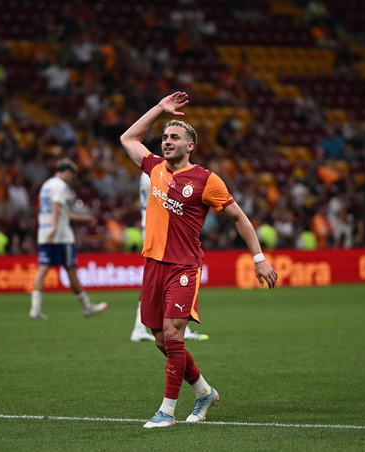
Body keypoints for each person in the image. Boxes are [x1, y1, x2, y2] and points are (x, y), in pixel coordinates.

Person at [119, 92, 278, 428]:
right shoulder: (154, 168)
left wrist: (259, 258)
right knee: (160, 339)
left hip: (183, 267)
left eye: (175, 137)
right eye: (164, 137)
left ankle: (167, 412)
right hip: (153, 265)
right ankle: (205, 392)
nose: (167, 141)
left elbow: (239, 217)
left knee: (173, 334)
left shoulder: (207, 180)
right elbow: (128, 139)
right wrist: (159, 109)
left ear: (190, 146)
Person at [130, 137, 208, 342]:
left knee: (156, 282)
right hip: (162, 232)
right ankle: (175, 325)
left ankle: (141, 327)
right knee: (180, 274)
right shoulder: (157, 172)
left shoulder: (148, 174)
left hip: (152, 230)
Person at [29, 158, 107, 320]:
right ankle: (87, 307)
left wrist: (82, 219)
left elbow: (59, 211)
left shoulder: (46, 185)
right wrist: (54, 228)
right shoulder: (62, 186)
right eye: (72, 175)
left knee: (42, 270)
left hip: (44, 233)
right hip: (62, 236)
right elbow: (56, 206)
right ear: (67, 172)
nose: (72, 179)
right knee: (71, 270)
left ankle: (35, 309)